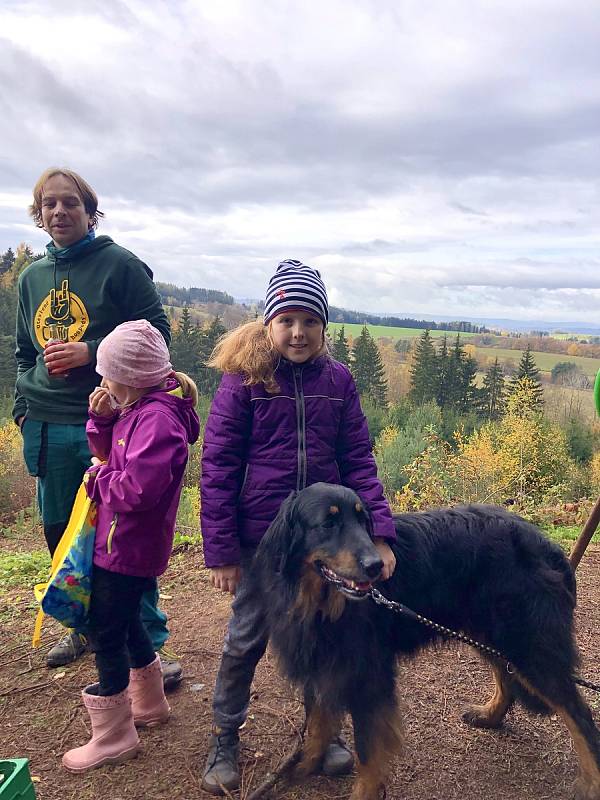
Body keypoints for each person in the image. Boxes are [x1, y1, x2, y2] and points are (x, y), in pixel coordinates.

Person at [200, 259, 397, 794]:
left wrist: (378, 532)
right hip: (263, 545)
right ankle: (225, 736)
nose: (298, 331)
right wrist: (220, 551)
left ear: (324, 327)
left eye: (310, 320)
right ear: (268, 324)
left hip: (325, 544)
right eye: (287, 319)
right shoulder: (245, 382)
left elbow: (359, 459)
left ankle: (323, 732)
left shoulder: (338, 381)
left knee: (325, 640)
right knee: (246, 639)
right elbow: (217, 465)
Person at [13, 167, 182, 686]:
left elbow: (159, 335)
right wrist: (24, 409)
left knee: (121, 534)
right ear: (39, 215)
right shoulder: (31, 277)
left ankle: (146, 647)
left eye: (71, 204)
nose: (59, 212)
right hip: (46, 420)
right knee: (60, 531)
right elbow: (23, 352)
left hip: (111, 422)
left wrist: (92, 351)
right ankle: (85, 626)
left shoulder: (120, 265)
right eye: (49, 205)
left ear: (90, 211)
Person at [62, 320, 200, 772]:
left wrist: (95, 480)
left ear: (132, 376)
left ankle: (114, 734)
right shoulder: (137, 408)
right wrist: (101, 420)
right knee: (127, 620)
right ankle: (150, 704)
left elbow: (138, 489)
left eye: (107, 376)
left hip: (128, 545)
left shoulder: (158, 419)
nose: (102, 383)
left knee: (106, 630)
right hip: (122, 542)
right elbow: (112, 457)